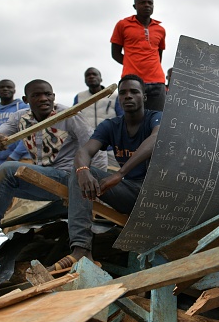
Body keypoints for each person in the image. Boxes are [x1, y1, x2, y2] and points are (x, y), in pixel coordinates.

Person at [49, 74, 161, 271]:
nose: (128, 96)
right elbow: (84, 151)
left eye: (134, 92)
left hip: (158, 195)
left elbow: (155, 139)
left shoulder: (156, 118)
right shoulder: (111, 125)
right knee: (80, 173)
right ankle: (82, 250)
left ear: (144, 97)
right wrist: (83, 171)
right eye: (123, 93)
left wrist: (120, 173)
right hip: (130, 193)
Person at [0, 80, 105, 226]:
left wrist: (97, 188)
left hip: (67, 179)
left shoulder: (70, 115)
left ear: (53, 96)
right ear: (25, 100)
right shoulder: (20, 117)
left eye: (47, 94)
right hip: (38, 180)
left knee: (8, 169)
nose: (43, 99)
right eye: (36, 95)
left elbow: (97, 149)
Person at [111, 0, 167, 111]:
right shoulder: (123, 25)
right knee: (132, 120)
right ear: (135, 6)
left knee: (157, 119)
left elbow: (159, 55)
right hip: (132, 82)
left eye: (150, 3)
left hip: (157, 82)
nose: (147, 5)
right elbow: (115, 54)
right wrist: (132, 63)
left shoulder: (160, 29)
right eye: (142, 3)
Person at [74, 67, 123, 168]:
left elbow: (122, 119)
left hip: (110, 147)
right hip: (87, 146)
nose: (91, 76)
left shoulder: (114, 96)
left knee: (115, 173)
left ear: (101, 79)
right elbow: (74, 119)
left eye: (94, 74)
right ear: (85, 80)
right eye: (88, 75)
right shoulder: (79, 97)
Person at [0, 80, 31, 169]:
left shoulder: (23, 107)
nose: (5, 89)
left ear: (14, 90)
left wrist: (14, 156)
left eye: (9, 87)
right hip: (0, 162)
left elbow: (28, 134)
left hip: (22, 158)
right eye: (2, 87)